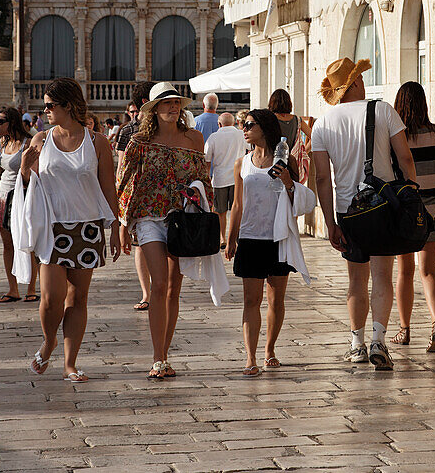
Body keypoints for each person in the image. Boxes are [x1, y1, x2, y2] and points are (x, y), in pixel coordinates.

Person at [311, 57, 416, 371]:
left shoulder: (323, 124)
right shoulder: (383, 111)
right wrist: (412, 194)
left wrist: (329, 223)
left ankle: (356, 344)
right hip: (383, 207)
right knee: (383, 276)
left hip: (348, 211)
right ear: (355, 83)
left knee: (356, 280)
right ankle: (379, 340)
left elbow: (320, 178)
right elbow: (406, 158)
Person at [15, 78, 122, 382]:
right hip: (51, 226)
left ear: (69, 106)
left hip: (88, 227)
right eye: (45, 105)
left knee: (78, 298)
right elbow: (28, 186)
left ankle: (69, 364)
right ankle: (49, 342)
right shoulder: (40, 140)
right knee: (51, 297)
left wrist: (114, 228)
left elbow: (107, 188)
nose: (45, 110)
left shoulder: (97, 141)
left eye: (50, 105)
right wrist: (25, 168)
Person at [117, 82, 210, 379]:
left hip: (181, 218)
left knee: (173, 289)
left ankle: (165, 354)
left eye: (176, 103)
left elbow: (202, 179)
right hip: (148, 217)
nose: (172, 107)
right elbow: (124, 183)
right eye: (166, 103)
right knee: (158, 285)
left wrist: (210, 215)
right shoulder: (139, 142)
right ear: (154, 109)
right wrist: (122, 223)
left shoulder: (195, 138)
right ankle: (158, 358)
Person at [225, 109, 301, 376]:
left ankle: (270, 350)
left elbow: (297, 198)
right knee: (250, 299)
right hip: (250, 237)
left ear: (264, 128)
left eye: (249, 125)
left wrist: (287, 180)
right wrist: (230, 237)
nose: (244, 129)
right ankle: (250, 358)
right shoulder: (241, 163)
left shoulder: (286, 159)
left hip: (278, 237)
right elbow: (237, 203)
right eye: (242, 125)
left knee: (275, 299)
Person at [390, 82, 435, 353]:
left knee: (405, 271)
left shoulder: (397, 137)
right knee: (429, 272)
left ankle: (404, 330)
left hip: (406, 214)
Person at [0, 107, 37, 303]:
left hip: (22, 197)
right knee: (7, 245)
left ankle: (32, 289)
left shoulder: (28, 143)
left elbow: (33, 171)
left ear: (12, 122)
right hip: (2, 196)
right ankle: (13, 289)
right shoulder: (4, 142)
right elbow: (6, 169)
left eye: (0, 122)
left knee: (27, 243)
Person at [116, 86, 153, 312]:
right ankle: (147, 293)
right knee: (140, 245)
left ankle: (157, 291)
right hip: (138, 197)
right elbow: (122, 170)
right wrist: (122, 216)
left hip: (165, 198)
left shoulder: (172, 127)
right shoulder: (128, 130)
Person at [204, 112, 247, 246]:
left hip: (220, 179)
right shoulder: (241, 134)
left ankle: (222, 238)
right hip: (238, 178)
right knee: (239, 208)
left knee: (219, 211)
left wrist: (206, 178)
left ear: (219, 124)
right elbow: (251, 148)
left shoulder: (213, 137)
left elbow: (207, 160)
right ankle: (237, 236)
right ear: (233, 123)